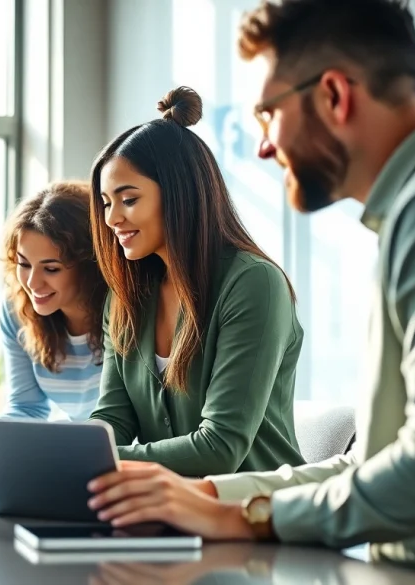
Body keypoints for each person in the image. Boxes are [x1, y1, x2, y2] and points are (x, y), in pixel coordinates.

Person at [85, 0, 415, 579]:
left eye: (269, 114)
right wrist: (218, 498)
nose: (262, 146)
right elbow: (370, 464)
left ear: (334, 95)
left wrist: (249, 517)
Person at [86, 86, 306, 477]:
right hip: (170, 513)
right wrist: (43, 452)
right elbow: (111, 423)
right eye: (106, 203)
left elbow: (220, 448)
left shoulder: (255, 285)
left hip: (258, 519)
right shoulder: (124, 300)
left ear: (178, 193)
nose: (111, 219)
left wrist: (87, 459)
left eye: (129, 199)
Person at [0, 182, 108, 462]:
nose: (31, 282)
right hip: (74, 457)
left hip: (122, 460)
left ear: (89, 265)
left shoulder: (122, 314)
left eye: (51, 268)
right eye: (24, 263)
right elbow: (28, 408)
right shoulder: (17, 312)